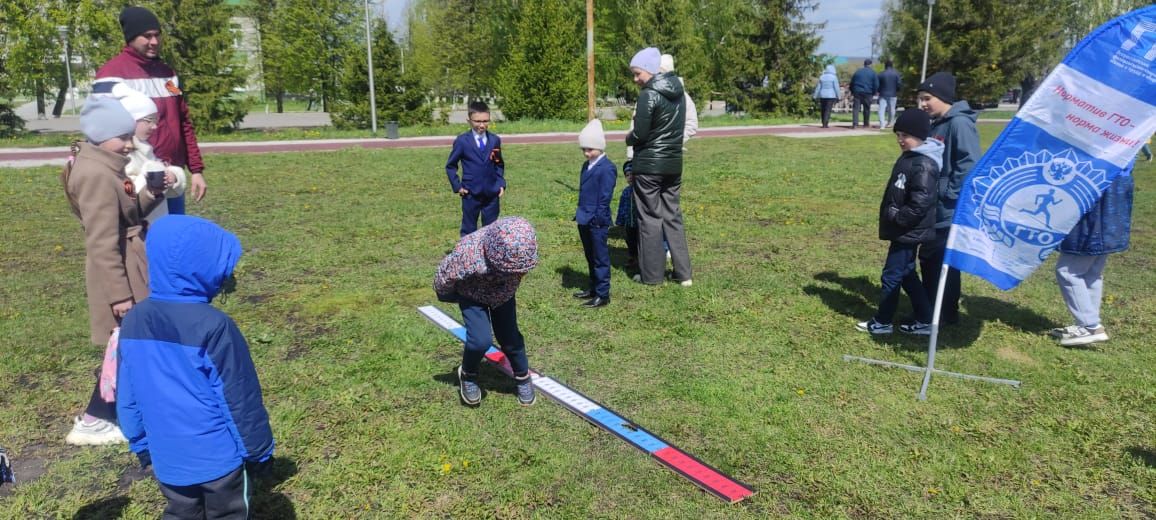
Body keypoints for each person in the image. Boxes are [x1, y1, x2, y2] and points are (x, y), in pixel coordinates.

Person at [117, 215, 274, 518]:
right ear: (204, 269)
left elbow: (127, 390)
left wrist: (139, 441)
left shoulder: (134, 320)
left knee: (181, 511)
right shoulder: (215, 326)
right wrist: (259, 451)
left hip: (168, 459)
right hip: (219, 461)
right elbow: (239, 396)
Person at [61, 96, 165, 446]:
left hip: (128, 258)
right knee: (125, 344)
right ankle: (94, 418)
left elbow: (128, 213)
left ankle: (120, 411)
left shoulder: (106, 166)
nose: (129, 143)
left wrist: (150, 193)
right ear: (101, 135)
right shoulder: (95, 174)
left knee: (129, 343)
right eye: (122, 136)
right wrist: (119, 294)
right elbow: (102, 240)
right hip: (119, 267)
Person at [96, 6, 206, 214]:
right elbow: (101, 131)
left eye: (157, 35)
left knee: (171, 240)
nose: (154, 42)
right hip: (137, 180)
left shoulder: (168, 75)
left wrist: (196, 171)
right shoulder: (111, 75)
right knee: (141, 242)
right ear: (131, 38)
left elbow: (183, 123)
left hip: (171, 177)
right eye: (147, 36)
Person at [434, 217, 539, 406]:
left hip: (503, 296)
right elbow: (445, 274)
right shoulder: (468, 255)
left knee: (510, 338)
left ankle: (523, 376)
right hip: (472, 296)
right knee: (480, 340)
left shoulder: (521, 248)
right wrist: (446, 295)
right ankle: (468, 374)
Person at [857, 109, 942, 335]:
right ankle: (925, 319)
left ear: (921, 135)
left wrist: (898, 217)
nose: (900, 140)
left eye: (906, 135)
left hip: (909, 230)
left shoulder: (924, 164)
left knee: (892, 275)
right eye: (898, 135)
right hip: (904, 229)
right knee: (906, 273)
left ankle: (883, 321)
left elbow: (920, 202)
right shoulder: (911, 157)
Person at [625, 47, 692, 286]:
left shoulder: (648, 94)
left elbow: (641, 133)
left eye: (637, 73)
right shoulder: (680, 93)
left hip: (649, 167)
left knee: (650, 219)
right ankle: (684, 274)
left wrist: (628, 138)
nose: (636, 79)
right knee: (673, 216)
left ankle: (651, 276)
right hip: (673, 165)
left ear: (650, 70)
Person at [916, 72, 980, 325]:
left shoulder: (959, 124)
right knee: (931, 258)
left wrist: (948, 193)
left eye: (927, 98)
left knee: (938, 258)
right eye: (920, 99)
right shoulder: (938, 122)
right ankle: (935, 306)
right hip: (934, 202)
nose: (922, 104)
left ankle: (943, 311)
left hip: (947, 207)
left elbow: (968, 163)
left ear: (943, 97)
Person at [1051, 172, 1134, 346]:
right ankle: (1090, 325)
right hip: (1114, 208)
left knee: (1068, 272)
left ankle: (1089, 326)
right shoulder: (1125, 148)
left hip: (1096, 209)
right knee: (1091, 272)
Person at [93, 79, 187, 223]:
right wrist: (152, 174)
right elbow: (126, 191)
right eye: (149, 121)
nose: (155, 126)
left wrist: (173, 176)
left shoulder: (145, 147)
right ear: (131, 119)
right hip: (138, 224)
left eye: (156, 121)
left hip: (156, 219)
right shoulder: (120, 152)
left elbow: (160, 177)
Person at [572, 119, 617, 308]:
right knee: (590, 255)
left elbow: (605, 197)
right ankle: (593, 286)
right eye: (583, 149)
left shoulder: (607, 168)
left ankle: (602, 294)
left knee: (600, 258)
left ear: (599, 146)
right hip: (584, 217)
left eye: (590, 149)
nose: (586, 153)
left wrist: (598, 218)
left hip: (597, 220)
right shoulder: (587, 165)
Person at [445, 101, 505, 236]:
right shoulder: (462, 141)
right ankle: (467, 256)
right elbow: (450, 166)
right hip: (470, 193)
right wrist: (458, 186)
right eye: (477, 121)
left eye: (485, 121)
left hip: (491, 193)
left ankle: (489, 256)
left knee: (491, 230)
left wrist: (501, 183)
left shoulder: (495, 140)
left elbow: (498, 163)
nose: (482, 125)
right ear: (469, 120)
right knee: (469, 228)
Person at [659, 54, 698, 148]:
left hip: (669, 154)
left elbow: (691, 124)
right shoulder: (648, 94)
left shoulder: (682, 96)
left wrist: (673, 142)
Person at [616, 161, 639, 269]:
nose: (629, 177)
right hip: (629, 223)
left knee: (640, 241)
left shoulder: (642, 190)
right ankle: (633, 258)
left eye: (632, 174)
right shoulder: (626, 191)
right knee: (630, 241)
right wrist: (620, 221)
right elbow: (621, 207)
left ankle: (642, 259)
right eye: (627, 175)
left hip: (639, 223)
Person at [850, 59, 878, 129]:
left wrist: (852, 91)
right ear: (871, 65)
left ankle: (855, 124)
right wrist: (874, 92)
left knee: (856, 108)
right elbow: (876, 84)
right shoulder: (873, 73)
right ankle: (866, 124)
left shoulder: (857, 72)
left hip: (857, 91)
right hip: (868, 92)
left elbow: (852, 82)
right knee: (867, 108)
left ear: (864, 64)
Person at [876, 60, 902, 129]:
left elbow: (877, 84)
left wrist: (879, 90)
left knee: (881, 109)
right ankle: (890, 123)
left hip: (883, 93)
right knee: (892, 109)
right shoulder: (896, 74)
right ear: (892, 65)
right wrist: (897, 90)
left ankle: (882, 124)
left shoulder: (881, 74)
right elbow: (899, 84)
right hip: (893, 93)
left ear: (885, 65)